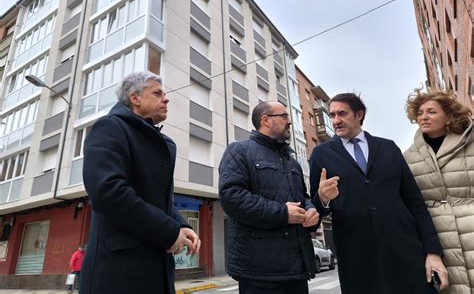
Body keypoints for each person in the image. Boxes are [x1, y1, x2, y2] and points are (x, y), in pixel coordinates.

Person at [309, 93, 448, 294]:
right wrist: (323, 198)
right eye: (332, 115)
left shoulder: (388, 147)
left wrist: (433, 252)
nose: (336, 120)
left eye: (342, 114)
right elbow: (315, 213)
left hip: (404, 249)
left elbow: (415, 202)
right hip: (356, 256)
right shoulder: (322, 154)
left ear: (359, 115)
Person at [80, 71, 200, 294]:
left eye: (165, 94)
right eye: (157, 93)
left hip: (157, 270)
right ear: (134, 98)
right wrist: (169, 231)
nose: (166, 98)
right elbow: (107, 192)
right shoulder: (110, 127)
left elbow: (157, 199)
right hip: (119, 274)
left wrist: (180, 224)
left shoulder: (165, 143)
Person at [219, 101, 319, 294]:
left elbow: (303, 197)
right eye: (284, 116)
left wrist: (311, 209)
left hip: (297, 270)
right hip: (259, 272)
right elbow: (232, 197)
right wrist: (282, 213)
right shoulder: (239, 151)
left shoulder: (292, 162)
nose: (289, 121)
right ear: (265, 120)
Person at [404, 89, 474, 293]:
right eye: (420, 113)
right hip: (438, 238)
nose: (423, 117)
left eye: (432, 112)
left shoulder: (470, 143)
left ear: (449, 115)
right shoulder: (409, 157)